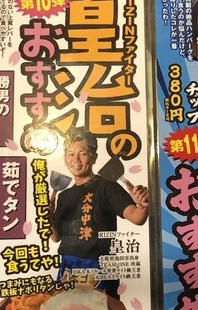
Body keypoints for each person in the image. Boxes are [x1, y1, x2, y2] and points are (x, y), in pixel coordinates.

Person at [49, 126, 149, 298]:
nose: (76, 160)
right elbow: (56, 237)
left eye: (83, 153)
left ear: (93, 157)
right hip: (68, 266)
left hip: (99, 265)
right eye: (70, 154)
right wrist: (48, 217)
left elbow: (136, 217)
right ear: (65, 159)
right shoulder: (64, 195)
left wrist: (144, 205)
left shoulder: (107, 186)